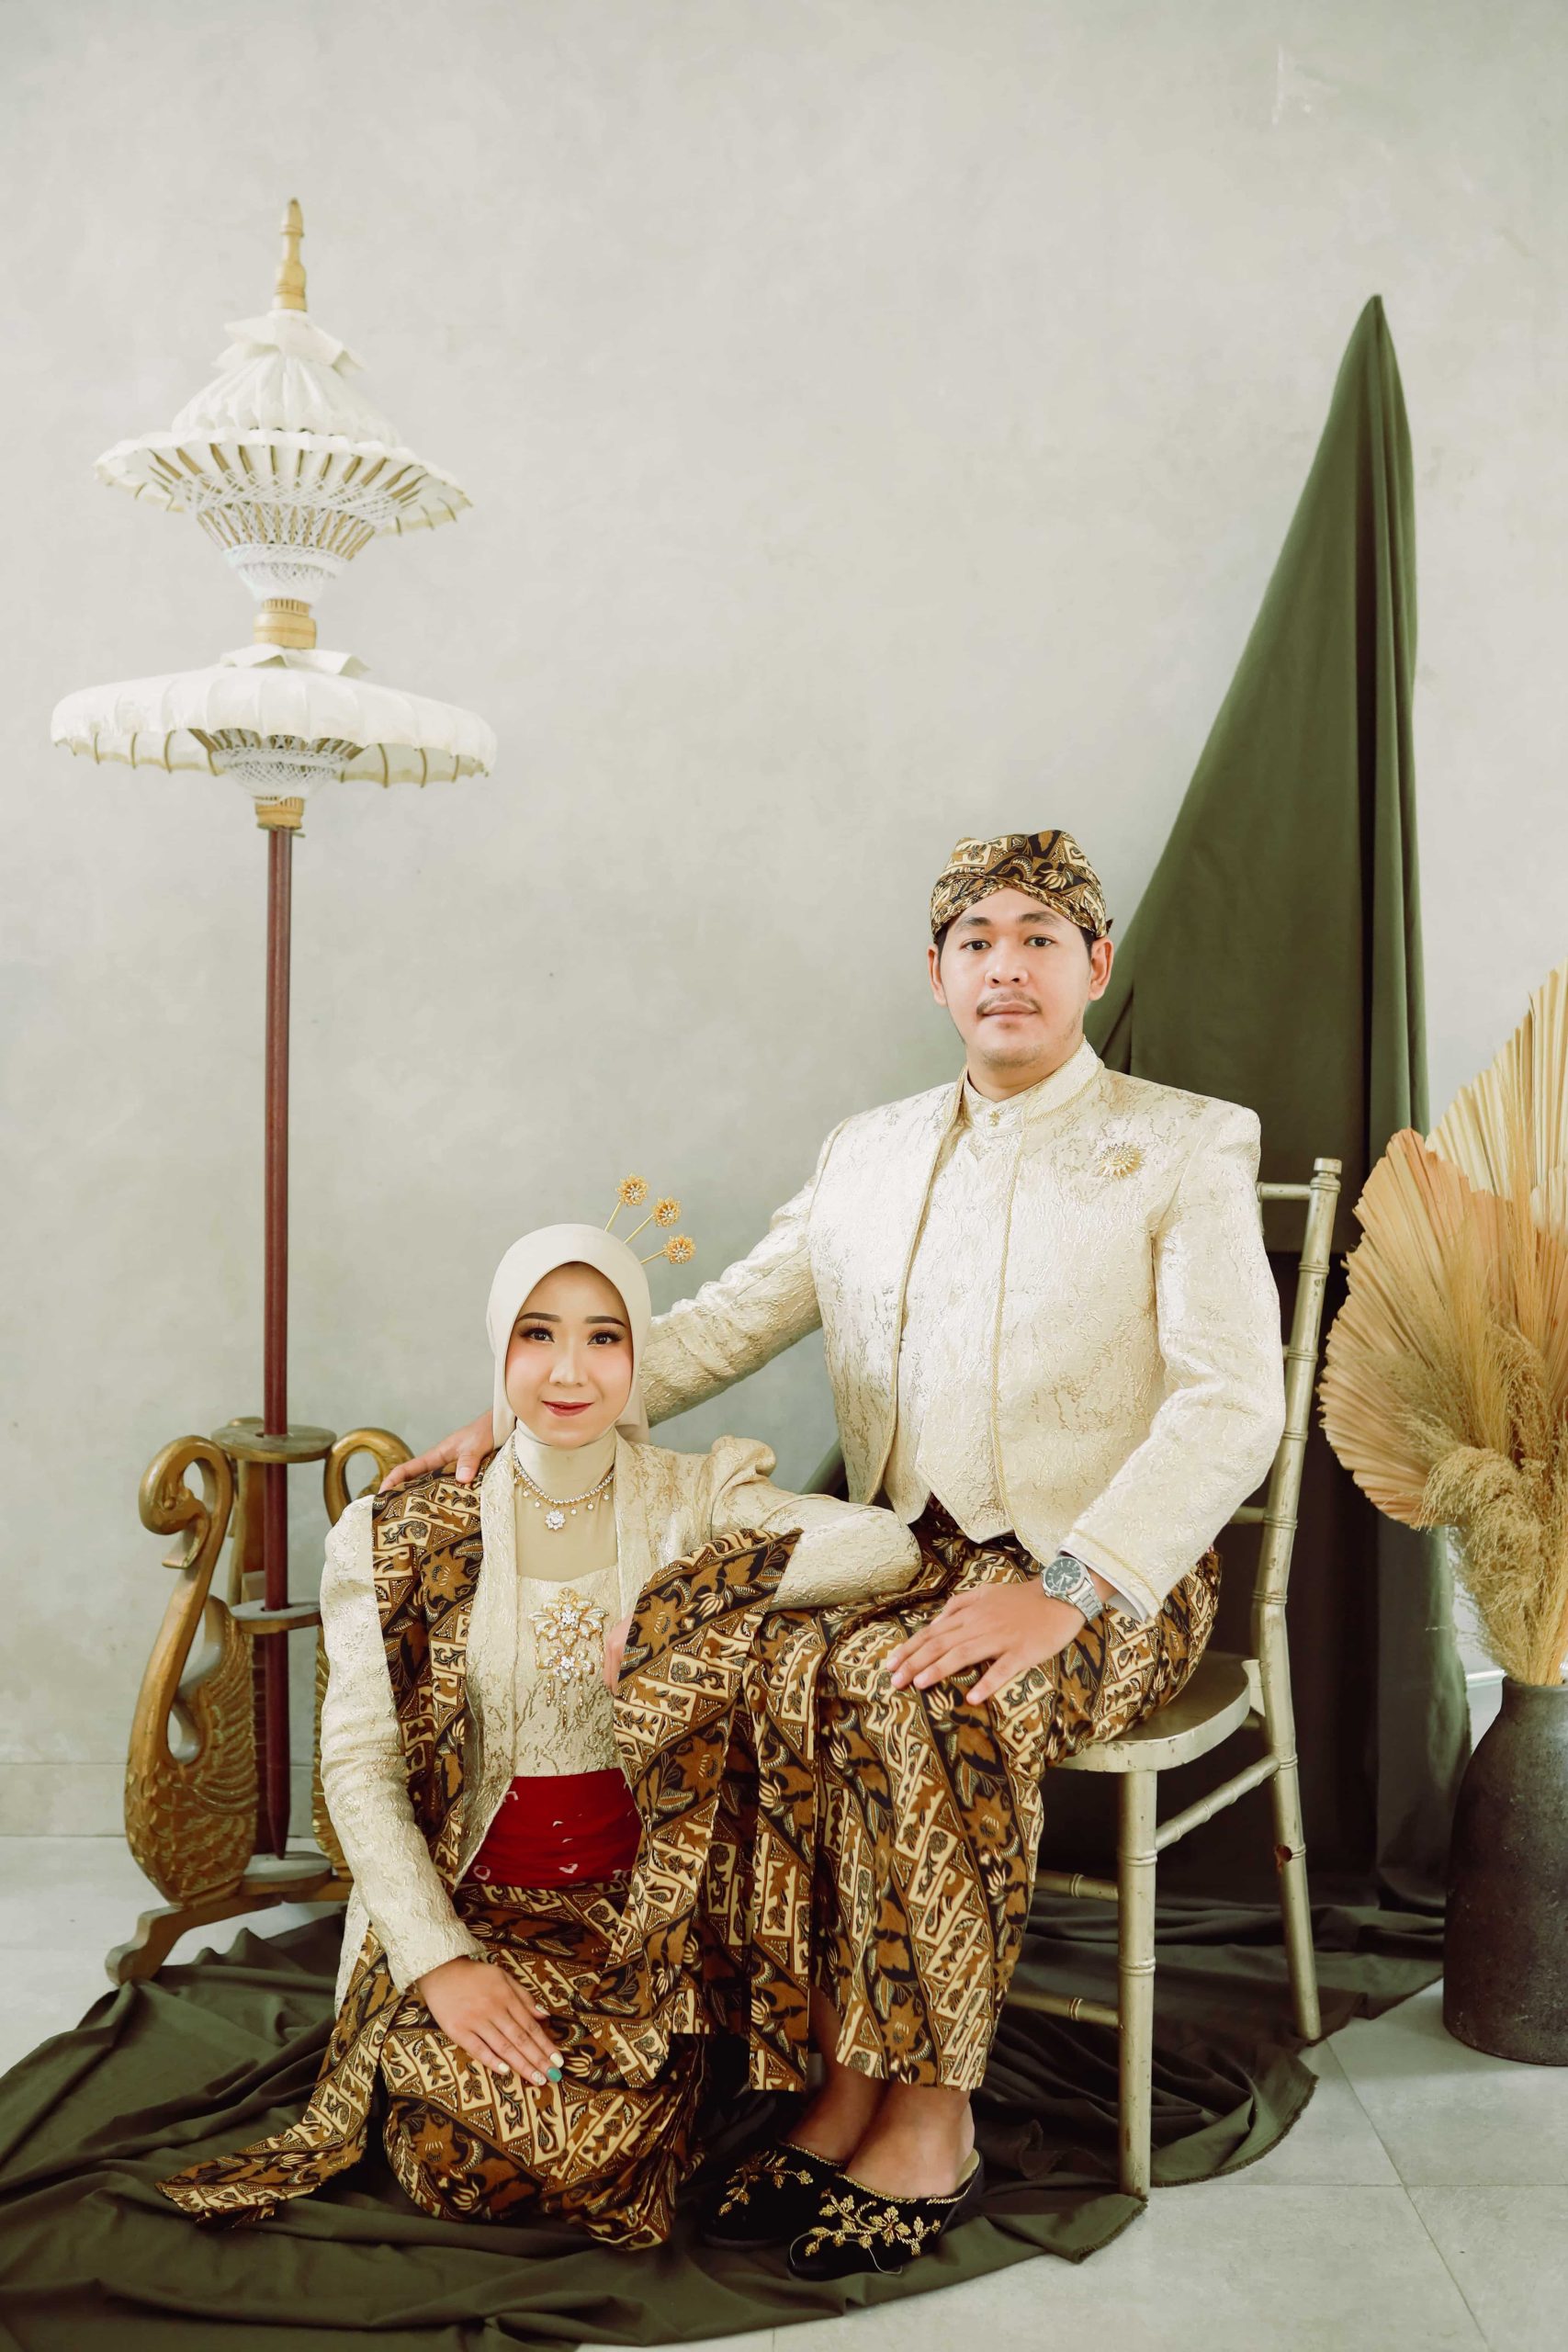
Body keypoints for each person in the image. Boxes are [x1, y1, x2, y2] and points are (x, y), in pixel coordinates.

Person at [384, 827, 1287, 2278]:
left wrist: (1064, 1595)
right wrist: (521, 1409)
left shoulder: (1185, 1142)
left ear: (1095, 966)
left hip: (1112, 1573)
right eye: (977, 941)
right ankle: (839, 2082)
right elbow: (722, 1324)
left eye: (1039, 939)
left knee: (923, 1704)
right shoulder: (864, 1152)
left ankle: (931, 2121)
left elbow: (1232, 1402)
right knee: (747, 1672)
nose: (1006, 966)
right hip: (896, 1554)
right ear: (935, 975)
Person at [158, 1213, 919, 2245]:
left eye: (605, 1336)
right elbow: (360, 1767)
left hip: (642, 1928)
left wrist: (681, 1602)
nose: (570, 1370)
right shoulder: (401, 1532)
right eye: (537, 1334)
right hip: (471, 1913)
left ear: (640, 1356)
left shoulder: (691, 1497)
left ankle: (651, 2089)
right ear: (498, 1347)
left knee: (592, 2157)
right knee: (459, 2162)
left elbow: (882, 1547)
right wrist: (441, 1964)